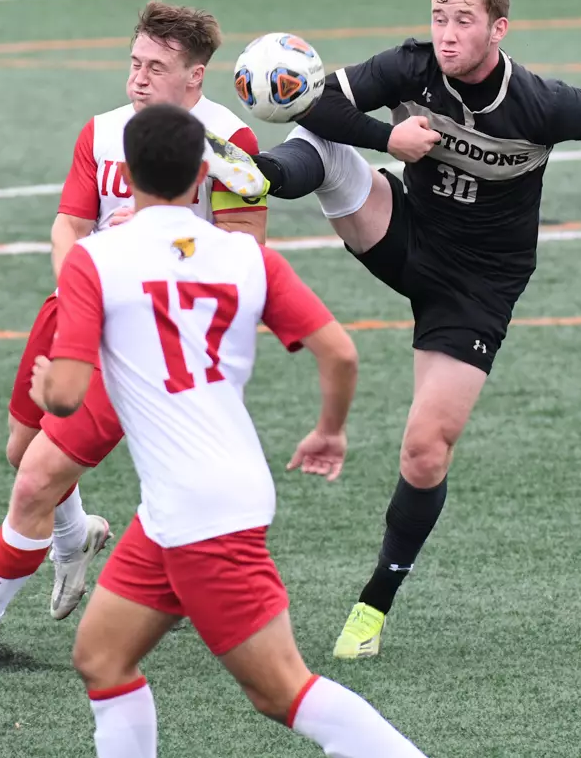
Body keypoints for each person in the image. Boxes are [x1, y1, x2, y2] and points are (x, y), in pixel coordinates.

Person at [252, 0, 581, 658]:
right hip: (405, 230)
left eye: (464, 21)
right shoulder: (411, 66)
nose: (449, 34)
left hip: (477, 287)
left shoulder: (543, 103)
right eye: (440, 17)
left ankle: (372, 607)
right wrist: (387, 138)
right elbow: (317, 104)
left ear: (498, 27)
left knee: (425, 452)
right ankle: (256, 173)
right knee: (326, 144)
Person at [30, 104, 427, 758]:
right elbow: (340, 353)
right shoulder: (245, 257)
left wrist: (48, 384)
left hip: (199, 510)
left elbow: (68, 397)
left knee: (281, 691)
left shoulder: (95, 259)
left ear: (125, 175)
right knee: (102, 655)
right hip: (184, 501)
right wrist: (330, 430)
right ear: (200, 179)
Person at [0, 1, 270, 673]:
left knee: (36, 479)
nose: (138, 79)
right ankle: (75, 534)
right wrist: (85, 293)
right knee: (21, 449)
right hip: (80, 310)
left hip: (150, 338)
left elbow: (247, 249)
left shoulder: (228, 144)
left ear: (195, 77)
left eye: (156, 68)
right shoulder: (103, 132)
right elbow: (67, 226)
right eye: (134, 63)